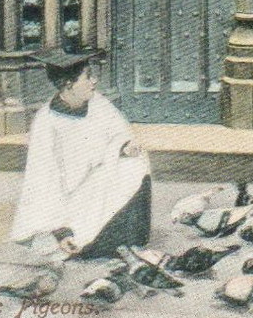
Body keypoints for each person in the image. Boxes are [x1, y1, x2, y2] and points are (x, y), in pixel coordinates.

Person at [10, 49, 151, 261]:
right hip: (67, 202)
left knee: (135, 165)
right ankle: (92, 243)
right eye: (87, 76)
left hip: (97, 180)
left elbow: (118, 135)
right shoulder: (46, 122)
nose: (94, 81)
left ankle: (127, 239)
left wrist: (124, 147)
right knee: (79, 236)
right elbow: (43, 181)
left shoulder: (98, 103)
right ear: (69, 84)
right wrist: (61, 230)